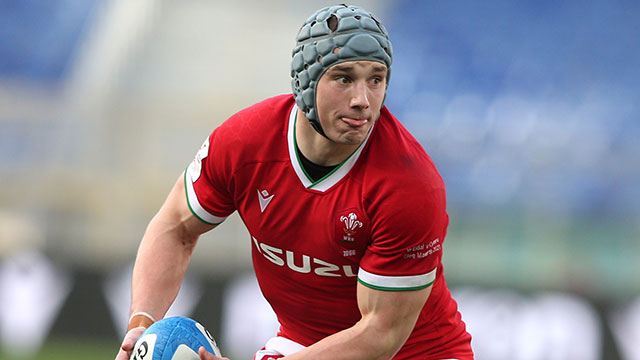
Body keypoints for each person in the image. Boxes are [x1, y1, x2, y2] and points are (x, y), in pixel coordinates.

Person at [115, 4, 473, 360]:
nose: (362, 100)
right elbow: (175, 227)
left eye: (376, 79)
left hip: (417, 352)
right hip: (302, 343)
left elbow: (381, 334)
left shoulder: (409, 186)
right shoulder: (244, 143)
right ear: (306, 80)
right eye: (344, 78)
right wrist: (141, 323)